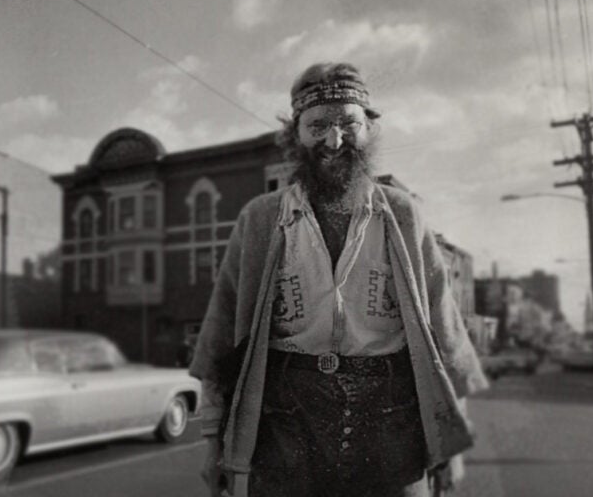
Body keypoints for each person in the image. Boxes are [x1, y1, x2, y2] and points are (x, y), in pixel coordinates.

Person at [189, 62, 488, 497]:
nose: (334, 140)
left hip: (391, 419)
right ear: (296, 135)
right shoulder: (260, 219)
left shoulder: (402, 214)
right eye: (318, 126)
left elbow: (444, 333)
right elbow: (219, 341)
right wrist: (213, 446)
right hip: (286, 423)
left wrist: (451, 446)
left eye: (349, 124)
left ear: (369, 129)